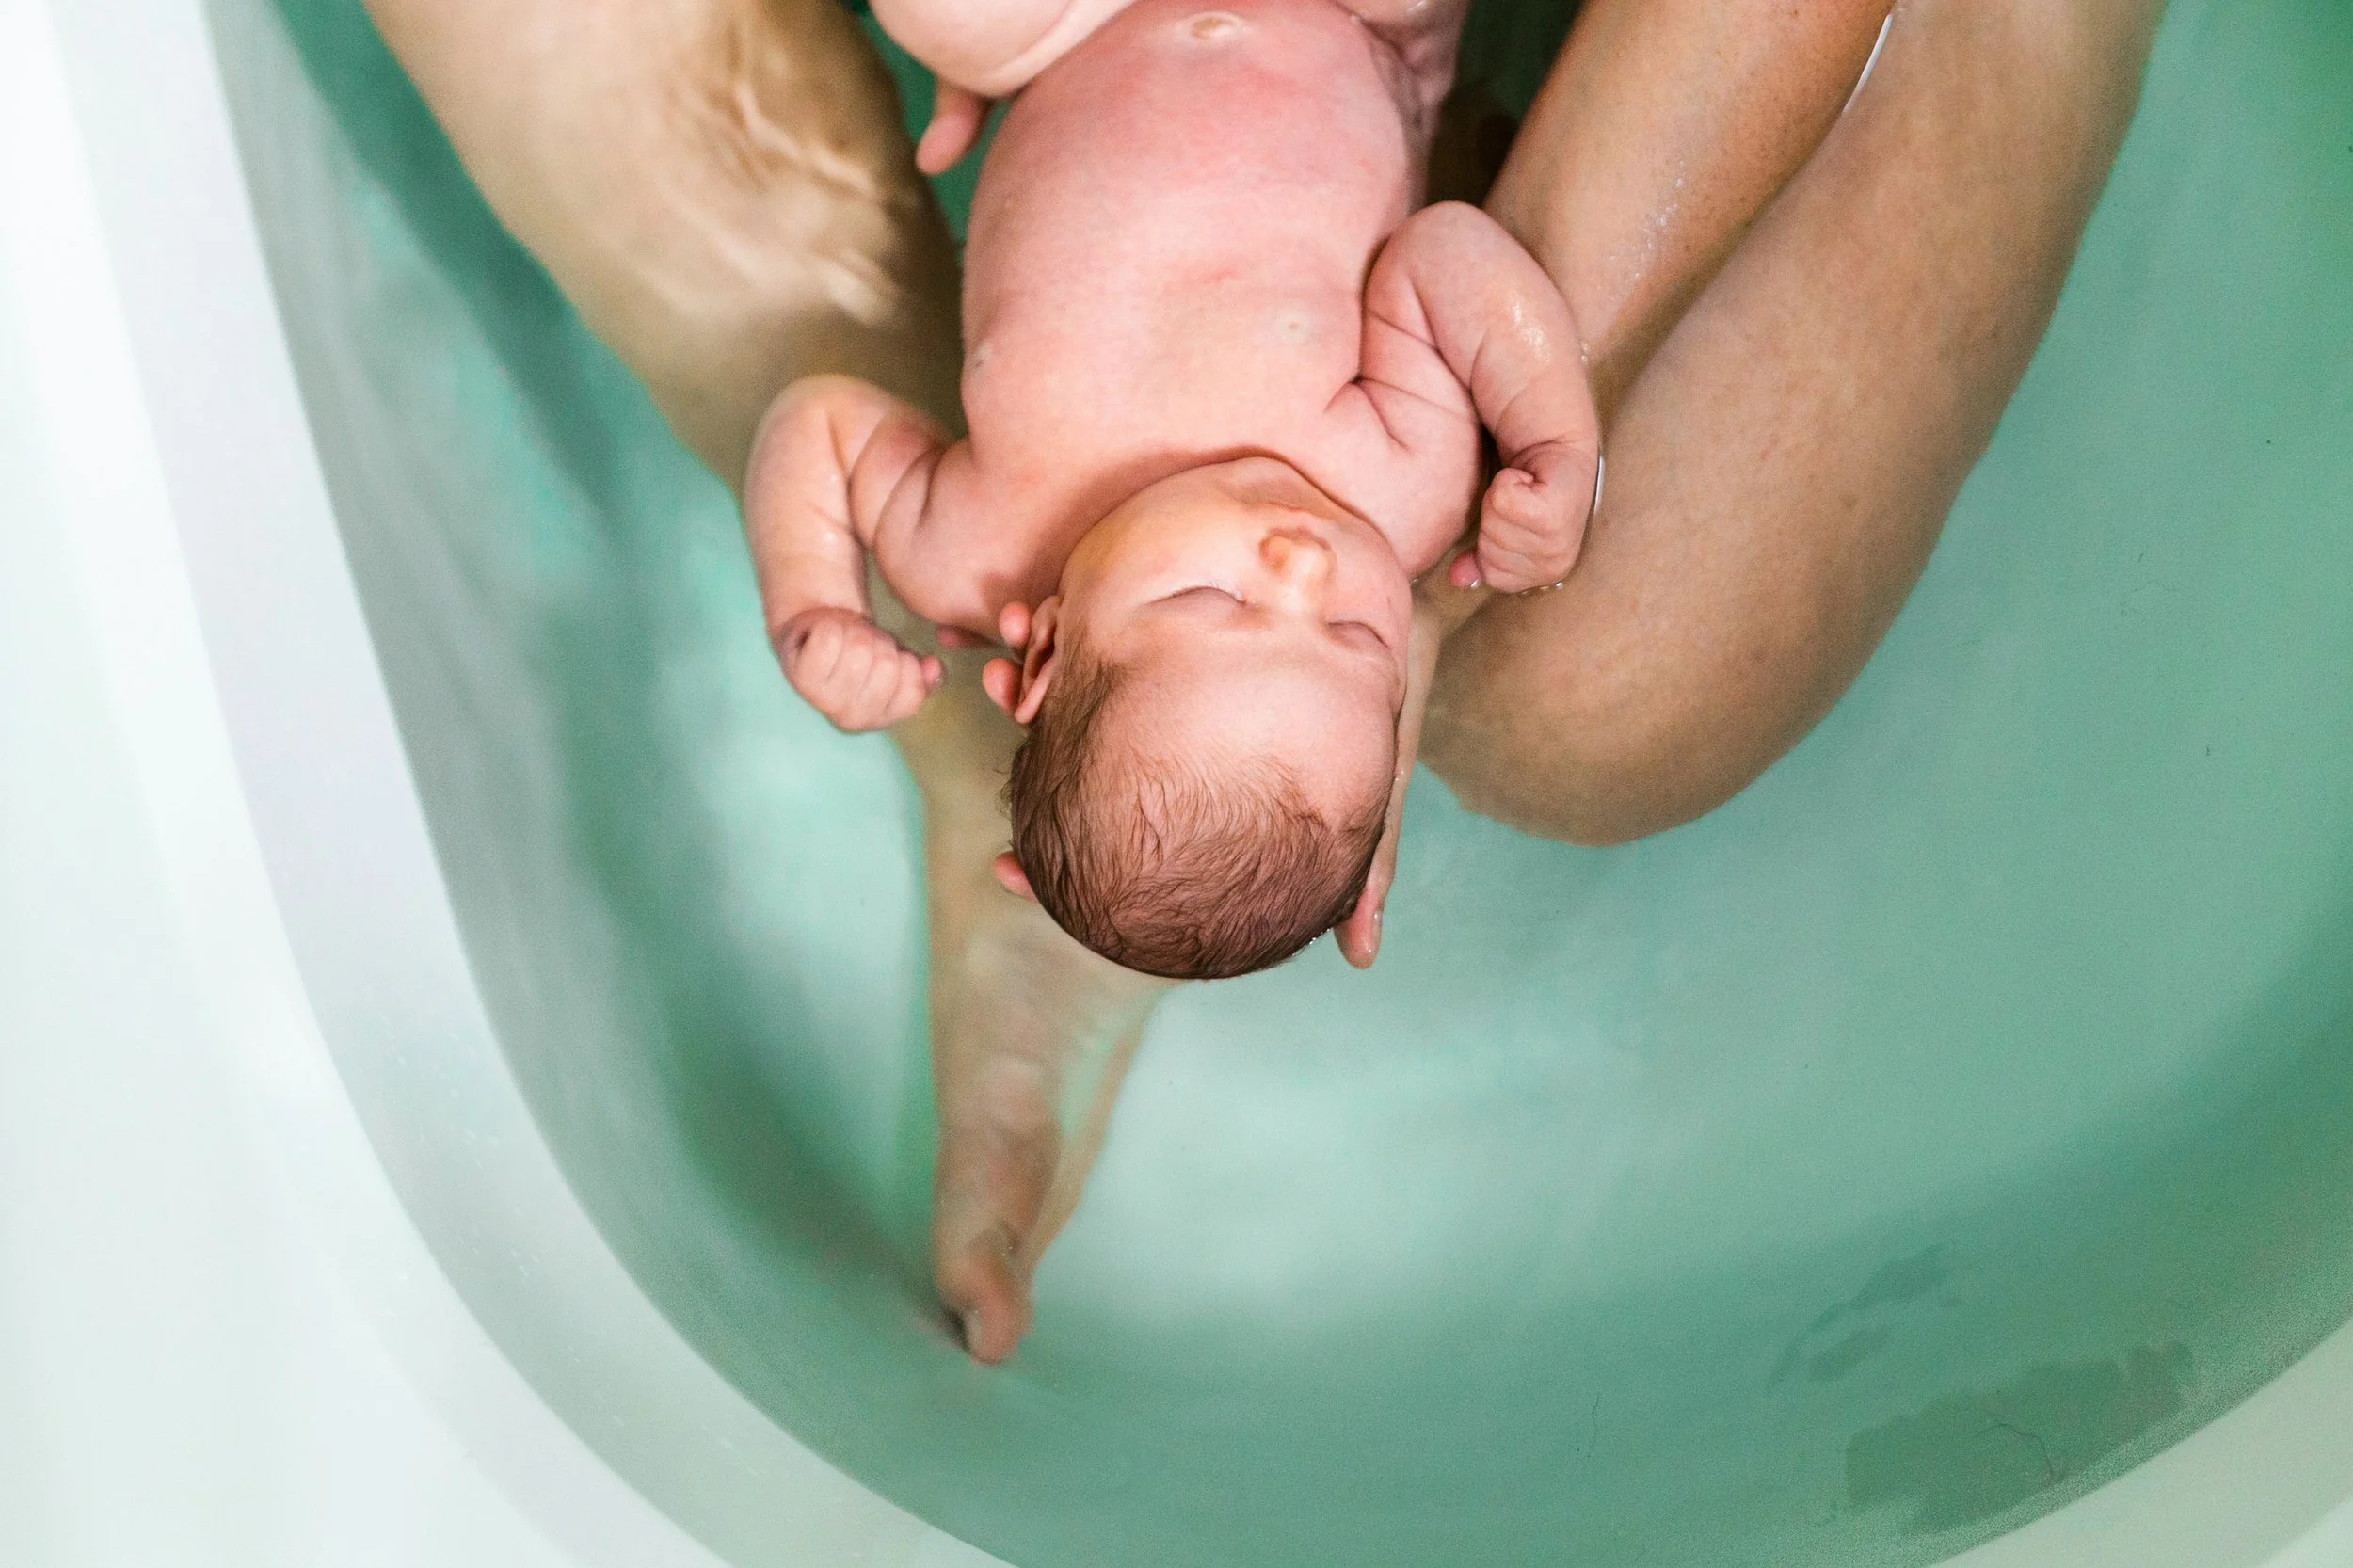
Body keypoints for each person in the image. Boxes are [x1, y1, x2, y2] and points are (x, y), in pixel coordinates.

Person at [363, 0, 2165, 1363]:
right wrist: (1492, 446)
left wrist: (834, 590)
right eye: (1327, 635)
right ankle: (997, 732)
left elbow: (827, 456)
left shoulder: (990, 523)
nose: (1302, 577)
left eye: (1246, 616)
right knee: (1611, 661)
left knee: (1623, 682)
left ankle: (1022, 682)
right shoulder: (1337, 483)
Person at [744, 0, 1601, 983]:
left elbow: (820, 430)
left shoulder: (977, 551)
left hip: (1068, 32)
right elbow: (1446, 253)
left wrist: (813, 600)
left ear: (1046, 657)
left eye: (1215, 601)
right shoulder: (1397, 490)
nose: (1300, 562)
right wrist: (1554, 438)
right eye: (1358, 636)